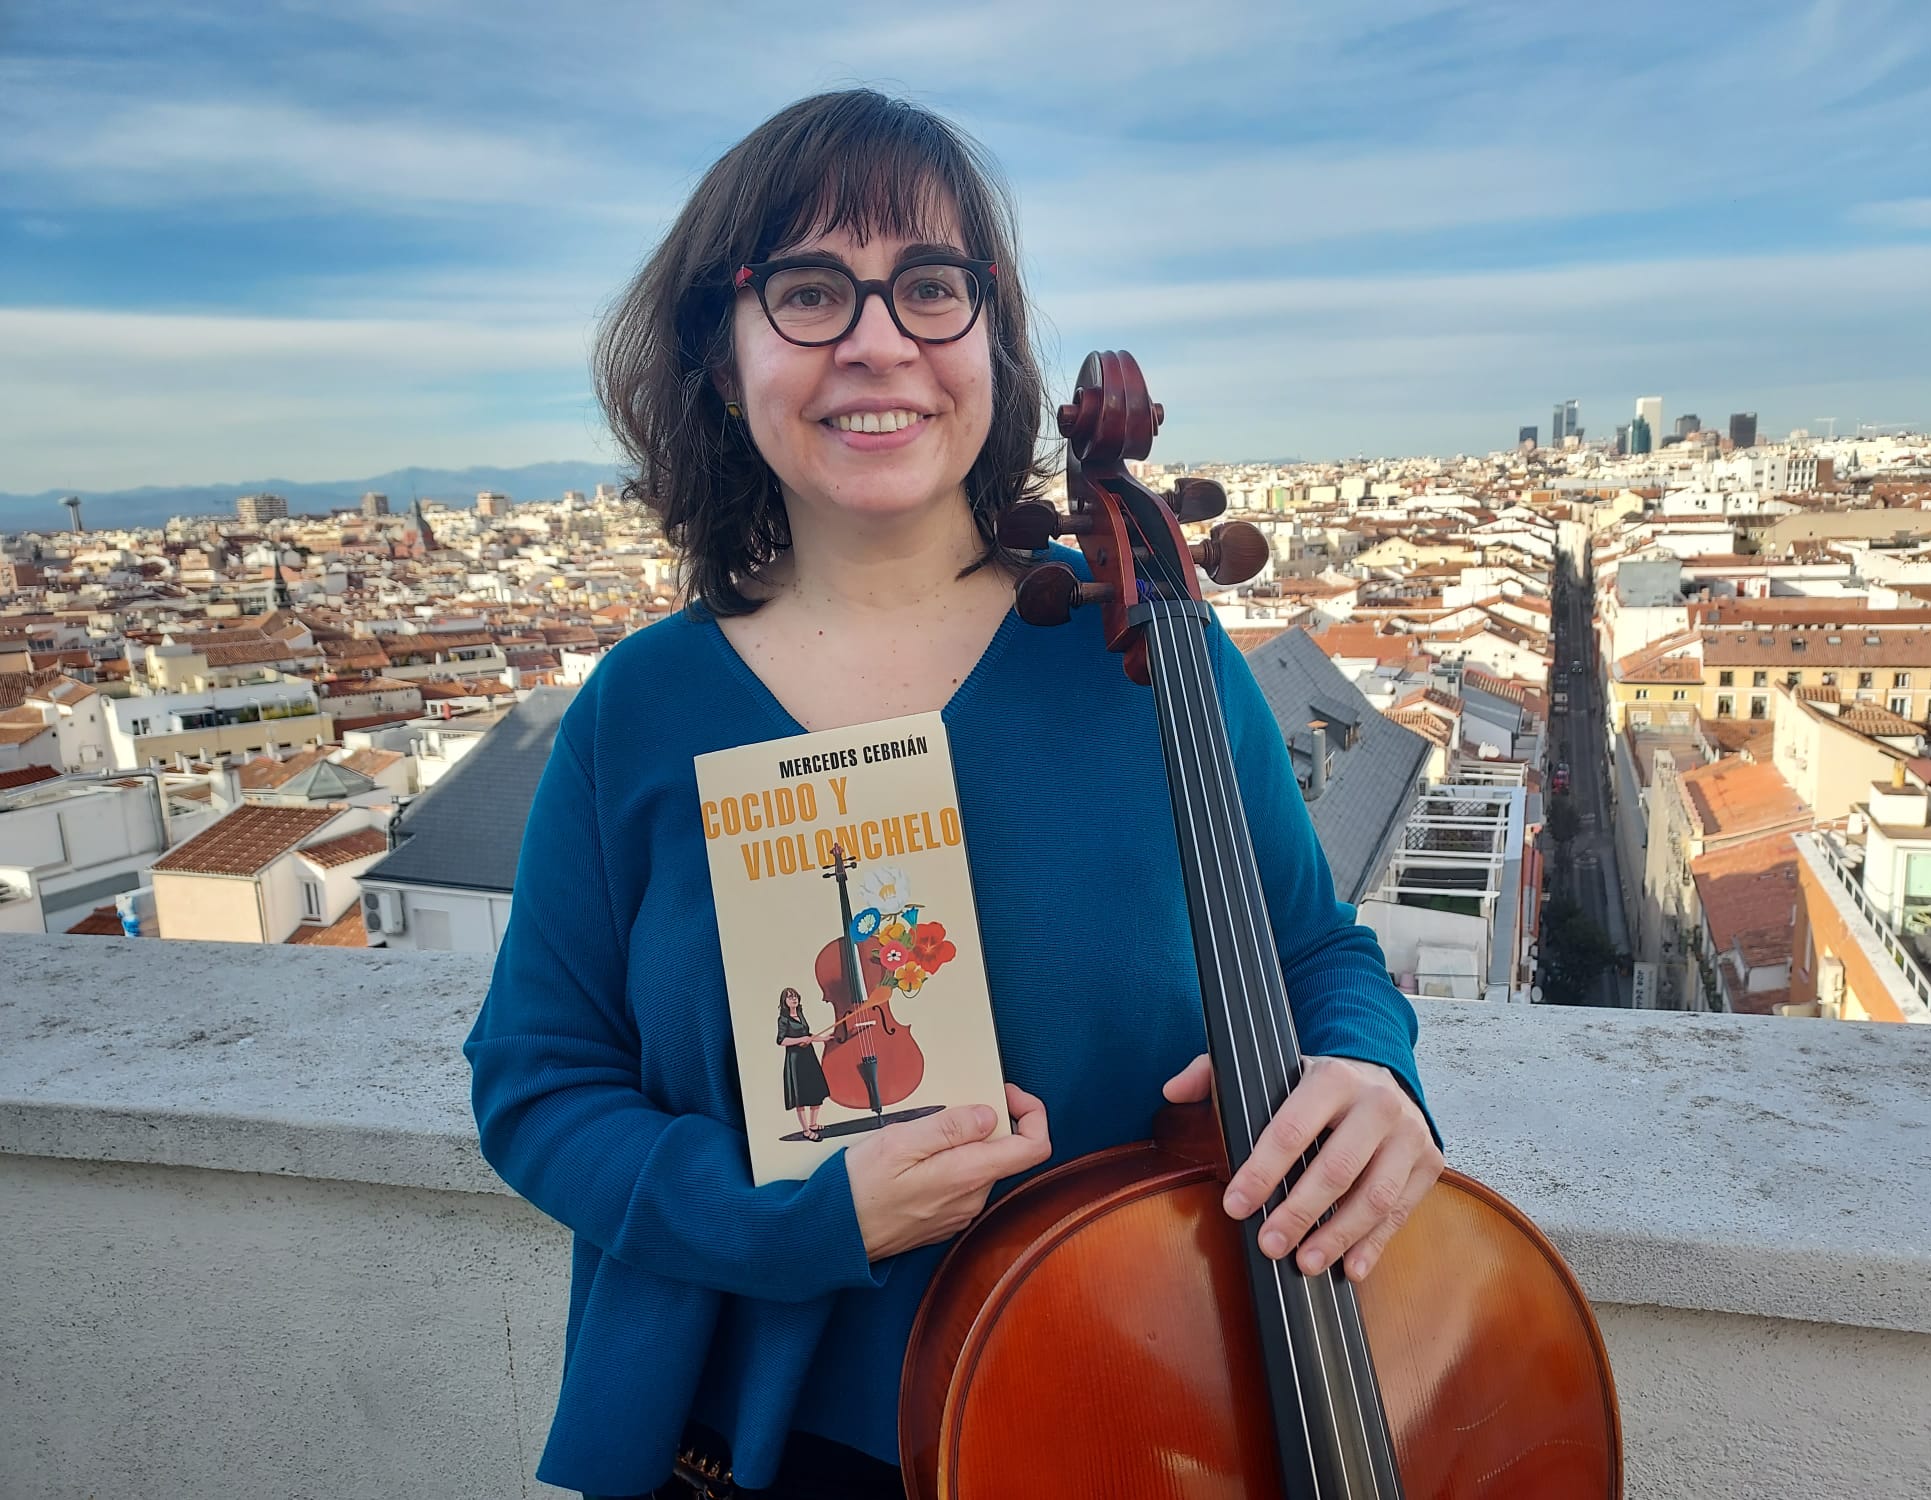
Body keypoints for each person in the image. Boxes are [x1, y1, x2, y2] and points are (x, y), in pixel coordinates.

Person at [463, 88, 1445, 1500]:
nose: (878, 340)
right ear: (720, 360)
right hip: (764, 1447)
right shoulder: (640, 714)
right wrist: (793, 1211)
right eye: (808, 291)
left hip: (1145, 1413)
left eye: (931, 288)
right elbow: (538, 1082)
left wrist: (1368, 1073)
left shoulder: (1153, 660)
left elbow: (1313, 956)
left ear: (991, 343)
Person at [775, 987, 831, 1142]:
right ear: (784, 1001)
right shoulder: (783, 1019)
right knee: (801, 1095)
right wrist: (800, 1040)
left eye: (795, 996)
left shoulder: (800, 1015)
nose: (794, 999)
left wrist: (823, 1038)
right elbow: (781, 1040)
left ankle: (813, 1124)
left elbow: (807, 1035)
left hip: (808, 1056)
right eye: (790, 997)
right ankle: (806, 1131)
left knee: (815, 1090)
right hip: (795, 1060)